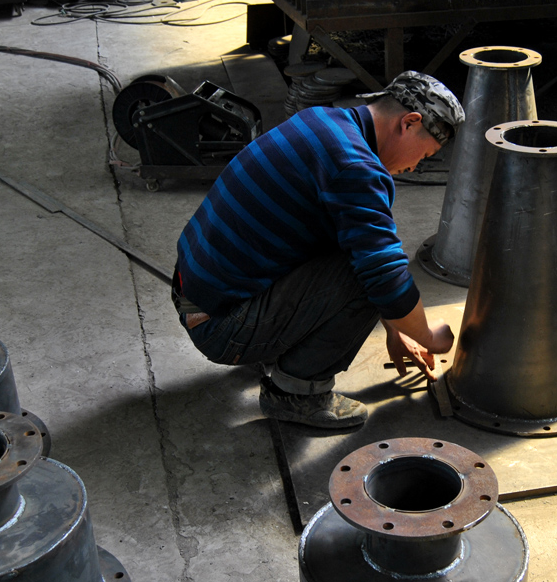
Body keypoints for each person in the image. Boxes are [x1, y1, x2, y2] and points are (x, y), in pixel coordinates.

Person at [172, 70, 465, 429]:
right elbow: (384, 276)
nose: (415, 166)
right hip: (220, 326)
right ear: (410, 122)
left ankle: (269, 344)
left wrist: (395, 328)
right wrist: (428, 336)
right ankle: (296, 394)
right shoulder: (355, 168)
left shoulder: (322, 120)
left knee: (358, 251)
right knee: (367, 274)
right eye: (425, 153)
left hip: (193, 294)